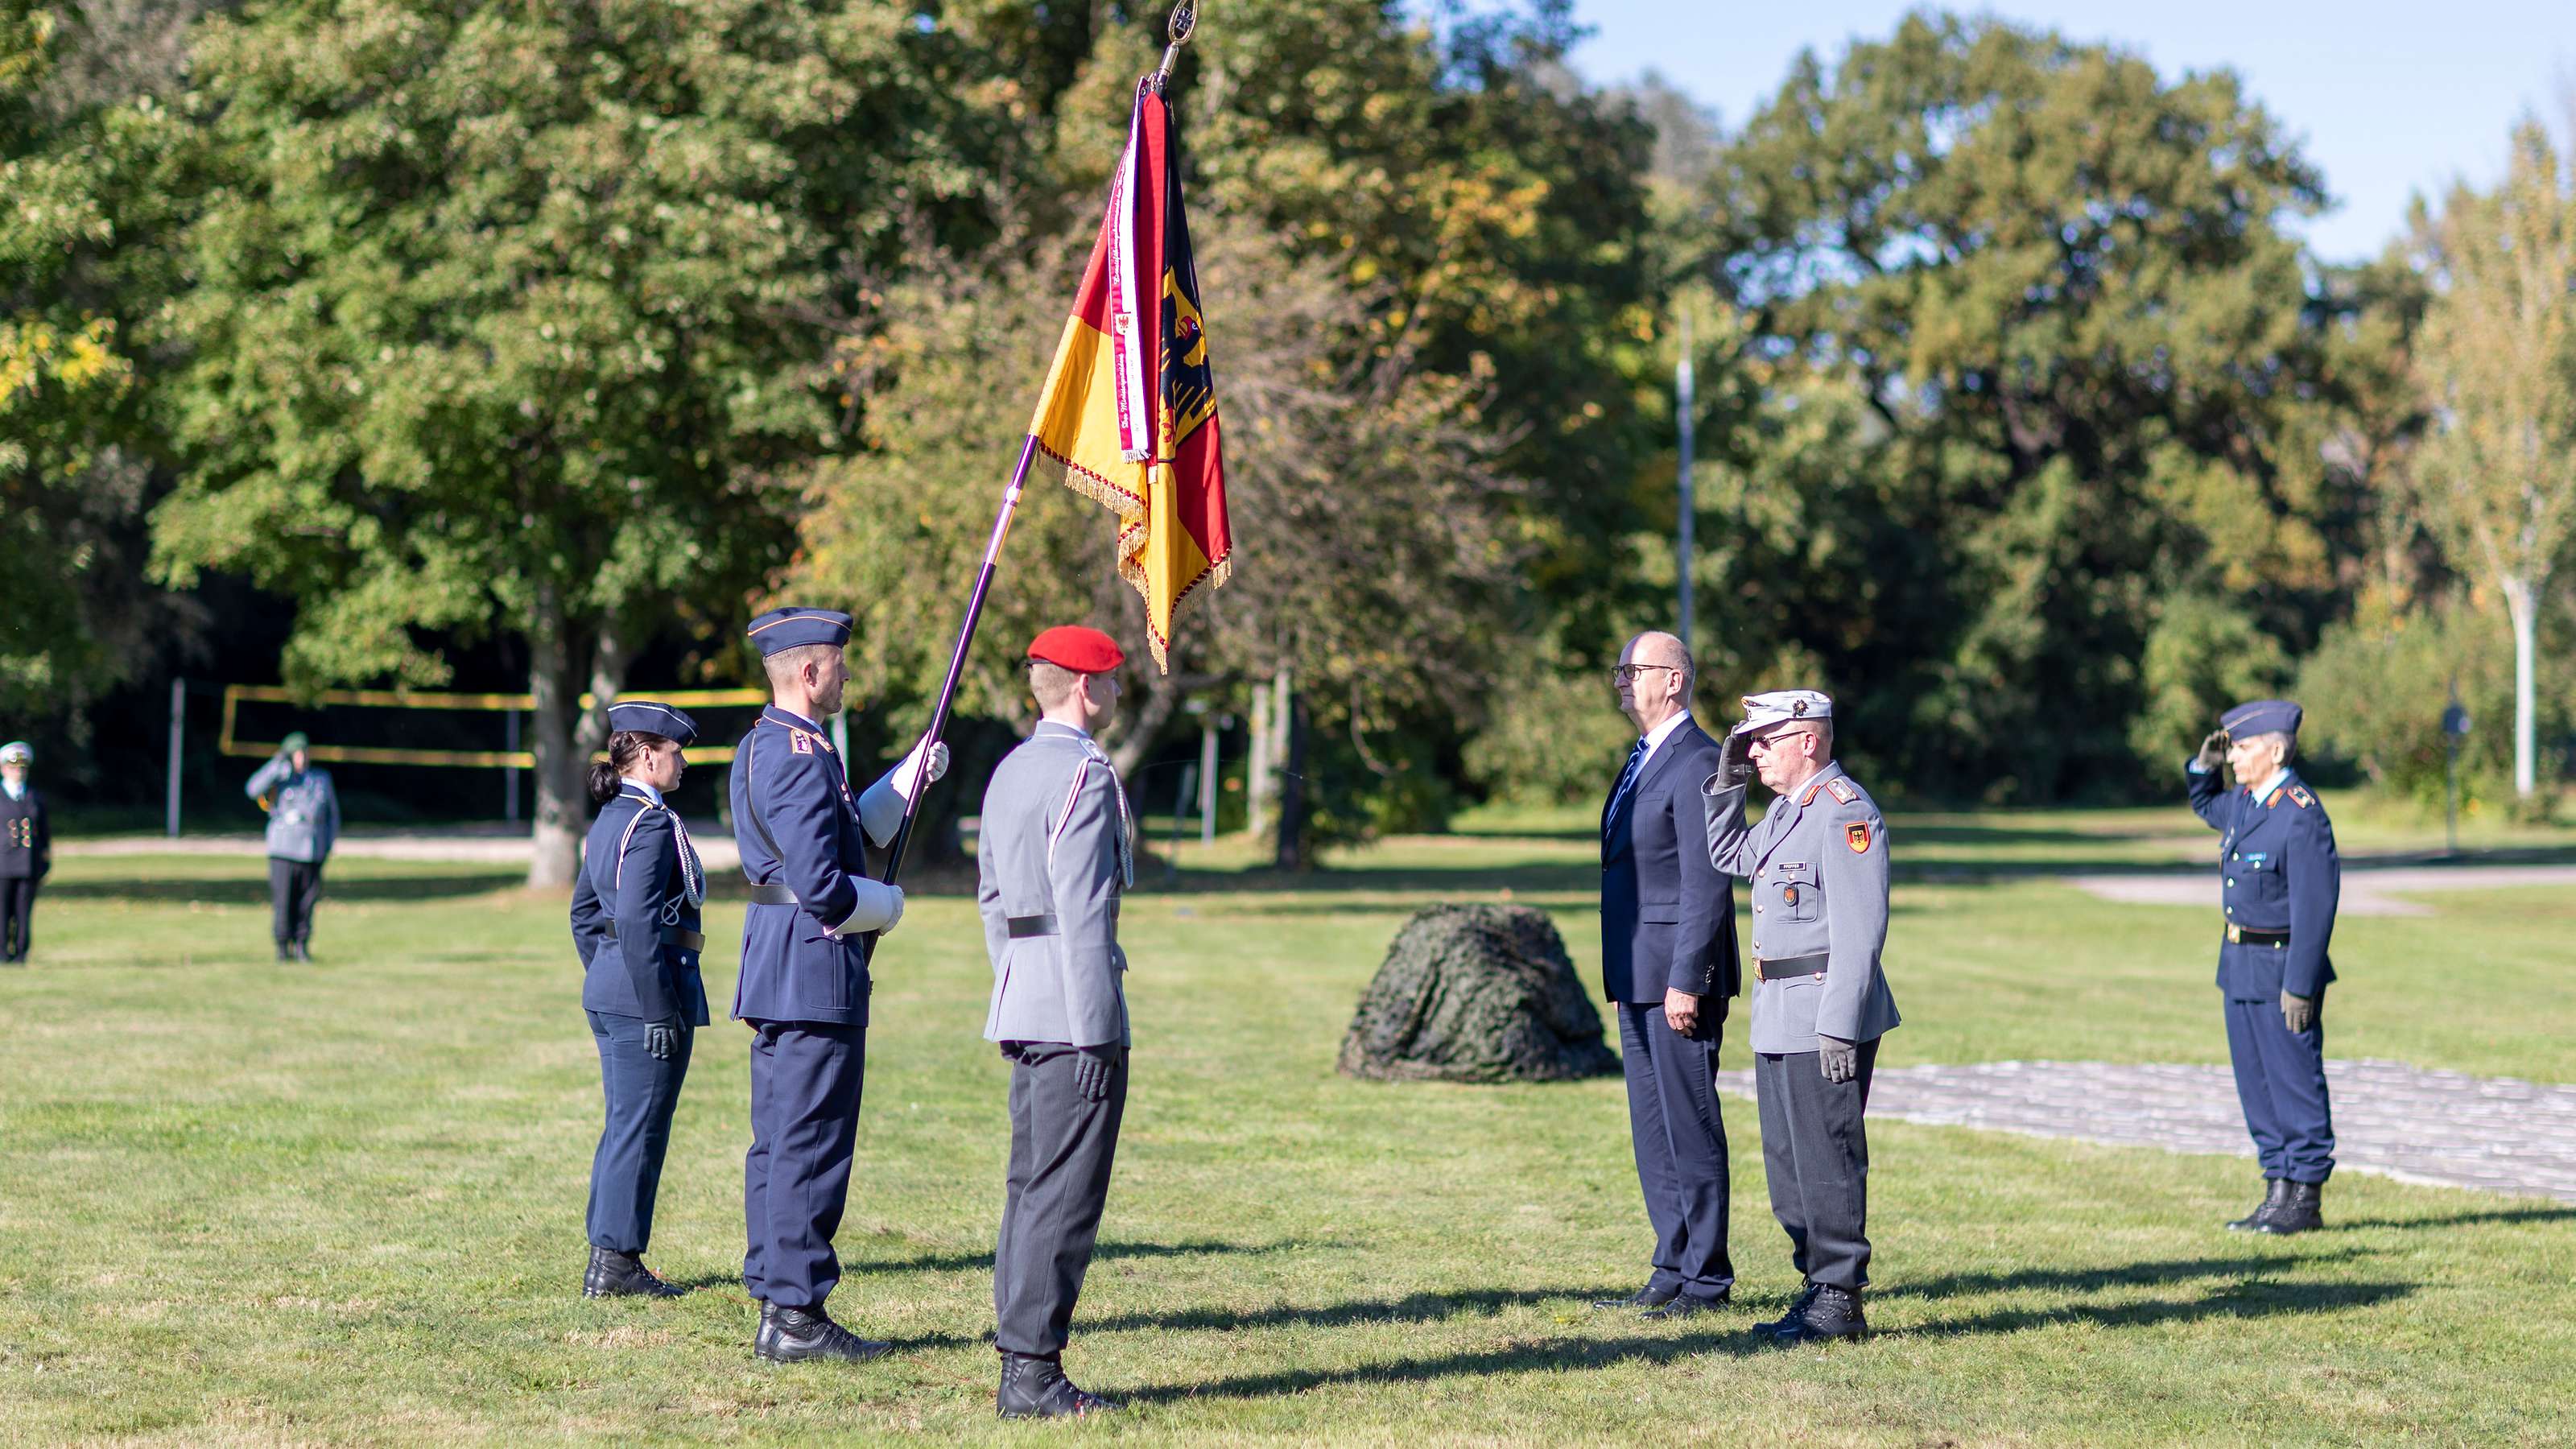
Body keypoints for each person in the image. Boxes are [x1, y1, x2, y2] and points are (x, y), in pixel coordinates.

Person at [730, 606, 947, 1364]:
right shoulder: (796, 752)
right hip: (812, 965)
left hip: (786, 965)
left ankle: (778, 1297)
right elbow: (823, 884)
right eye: (841, 664)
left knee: (783, 1141)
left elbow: (840, 829)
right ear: (811, 672)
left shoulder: (779, 743)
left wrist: (904, 780)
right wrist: (888, 905)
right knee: (811, 1145)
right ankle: (796, 1314)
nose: (848, 675)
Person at [1700, 690, 1899, 1345]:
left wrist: (1839, 1024)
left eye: (1764, 740)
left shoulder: (1845, 814)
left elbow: (1860, 930)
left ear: (1807, 741)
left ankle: (1841, 1299)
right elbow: (1730, 857)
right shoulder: (1790, 812)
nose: (1753, 750)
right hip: (1777, 1013)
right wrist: (1727, 781)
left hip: (1821, 1016)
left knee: (1827, 1161)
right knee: (1789, 1173)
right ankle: (1816, 1287)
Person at [977, 626, 1139, 1419]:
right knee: (1063, 1195)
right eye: (1109, 679)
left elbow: (989, 901)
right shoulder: (1084, 773)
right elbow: (1082, 913)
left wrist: (1013, 987)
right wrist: (1097, 1030)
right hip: (1074, 1011)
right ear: (1084, 688)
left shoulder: (1010, 770)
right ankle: (1032, 1374)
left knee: (1028, 1189)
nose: (1116, 691)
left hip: (1023, 998)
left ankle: (1021, 1358)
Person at [1590, 631, 1740, 1321]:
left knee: (1690, 1124)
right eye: (1619, 670)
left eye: (1634, 669)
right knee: (1652, 1129)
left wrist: (1689, 978)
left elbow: (1706, 887)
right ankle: (1671, 1263)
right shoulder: (1643, 758)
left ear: (1674, 680)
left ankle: (1707, 1277)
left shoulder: (1701, 762)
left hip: (1680, 977)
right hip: (1636, 970)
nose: (1622, 680)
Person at [568, 701, 711, 1300]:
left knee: (625, 1124)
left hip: (614, 990)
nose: (682, 763)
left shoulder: (610, 818)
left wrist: (606, 974)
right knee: (640, 1129)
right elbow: (633, 918)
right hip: (643, 998)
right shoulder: (648, 823)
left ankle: (610, 1254)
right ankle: (616, 1264)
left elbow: (583, 916)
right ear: (649, 756)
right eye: (676, 753)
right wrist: (652, 1003)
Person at [2187, 699, 2339, 1236]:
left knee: (2294, 1081)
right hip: (2239, 966)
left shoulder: (2300, 813)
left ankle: (2305, 1198)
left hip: (2282, 971)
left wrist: (2300, 985)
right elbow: (2206, 804)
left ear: (2275, 751)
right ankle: (2277, 1189)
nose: (2235, 759)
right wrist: (2202, 765)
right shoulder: (2248, 805)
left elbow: (2315, 911)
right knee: (2256, 1084)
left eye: (2243, 748)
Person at [245, 731, 339, 961]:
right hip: (284, 850)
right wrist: (277, 764)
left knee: (306, 902)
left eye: (304, 753)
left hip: (312, 850)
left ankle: (301, 945)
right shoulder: (278, 778)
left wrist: (327, 845)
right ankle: (281, 946)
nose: (301, 758)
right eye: (296, 753)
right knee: (283, 901)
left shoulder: (320, 778)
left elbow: (332, 815)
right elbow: (252, 789)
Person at [0, 741, 49, 965]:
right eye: (13, 767)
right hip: (3, 862)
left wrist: (44, 860)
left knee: (23, 911)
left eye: (22, 768)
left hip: (29, 862)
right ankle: (2, 952)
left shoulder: (36, 797)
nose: (18, 772)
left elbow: (45, 832)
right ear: (3, 769)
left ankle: (21, 953)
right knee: (2, 911)